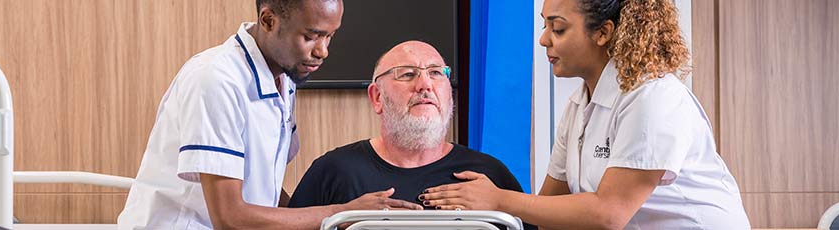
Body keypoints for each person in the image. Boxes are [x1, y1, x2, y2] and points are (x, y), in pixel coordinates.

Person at [419, 0, 751, 229]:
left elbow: (609, 212)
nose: (543, 39)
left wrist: (497, 200)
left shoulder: (653, 96)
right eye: (545, 26)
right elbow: (549, 213)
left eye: (558, 28)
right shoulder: (579, 106)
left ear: (603, 33)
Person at [117, 0, 421, 229]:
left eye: (330, 36)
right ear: (268, 20)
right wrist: (340, 212)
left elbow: (262, 190)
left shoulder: (283, 79)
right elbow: (230, 217)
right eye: (312, 36)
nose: (323, 51)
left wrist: (342, 219)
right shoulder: (216, 79)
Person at [287, 41, 536, 229]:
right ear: (377, 97)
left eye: (436, 73)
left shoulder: (488, 176)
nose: (425, 85)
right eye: (407, 74)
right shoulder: (333, 172)